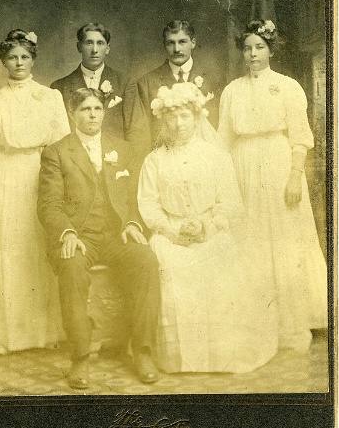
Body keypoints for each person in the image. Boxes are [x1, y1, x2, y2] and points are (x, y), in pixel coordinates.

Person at [138, 82, 278, 373]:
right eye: (172, 117)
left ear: (196, 117)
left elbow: (230, 203)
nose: (178, 124)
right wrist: (174, 231)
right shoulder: (154, 161)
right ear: (163, 120)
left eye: (185, 116)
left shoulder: (216, 156)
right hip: (170, 234)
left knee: (221, 263)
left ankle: (222, 356)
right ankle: (180, 360)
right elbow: (149, 206)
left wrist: (209, 226)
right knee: (168, 265)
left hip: (210, 230)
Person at [37, 88, 161, 389]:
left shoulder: (122, 148)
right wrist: (67, 232)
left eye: (96, 109)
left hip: (116, 235)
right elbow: (49, 203)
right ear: (72, 114)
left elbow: (134, 197)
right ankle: (80, 358)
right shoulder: (56, 152)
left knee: (146, 259)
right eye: (84, 109)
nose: (92, 115)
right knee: (71, 265)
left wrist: (132, 224)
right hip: (81, 237)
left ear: (104, 113)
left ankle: (142, 352)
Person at [217, 19, 327, 353]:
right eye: (247, 48)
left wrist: (295, 175)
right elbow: (223, 140)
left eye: (259, 47)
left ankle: (294, 324)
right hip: (242, 167)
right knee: (249, 240)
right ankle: (254, 322)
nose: (253, 54)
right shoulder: (232, 90)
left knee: (284, 240)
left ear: (270, 50)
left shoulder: (288, 86)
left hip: (279, 165)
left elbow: (300, 137)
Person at [0, 29, 70, 355]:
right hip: (4, 180)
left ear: (32, 59)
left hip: (43, 177)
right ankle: (8, 334)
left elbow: (64, 147)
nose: (18, 63)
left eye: (24, 57)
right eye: (12, 57)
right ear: (3, 60)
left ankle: (45, 332)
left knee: (39, 249)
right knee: (9, 251)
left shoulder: (50, 97)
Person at [125, 20, 218, 160]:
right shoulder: (146, 83)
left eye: (182, 42)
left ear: (193, 42)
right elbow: (142, 135)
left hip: (205, 160)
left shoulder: (212, 79)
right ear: (164, 45)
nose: (176, 49)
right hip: (164, 161)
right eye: (170, 43)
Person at [51, 22, 127, 139]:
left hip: (114, 154)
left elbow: (136, 130)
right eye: (89, 43)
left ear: (107, 48)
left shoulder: (125, 83)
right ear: (79, 47)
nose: (94, 50)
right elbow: (56, 133)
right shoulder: (59, 87)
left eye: (100, 43)